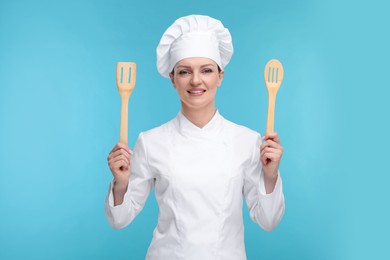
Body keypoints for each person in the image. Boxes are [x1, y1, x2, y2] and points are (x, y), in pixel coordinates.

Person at [105, 14, 285, 260]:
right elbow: (119, 219)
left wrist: (271, 176)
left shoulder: (247, 141)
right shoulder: (150, 141)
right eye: (184, 71)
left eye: (207, 70)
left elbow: (268, 221)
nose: (196, 80)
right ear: (172, 79)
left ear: (220, 76)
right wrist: (121, 183)